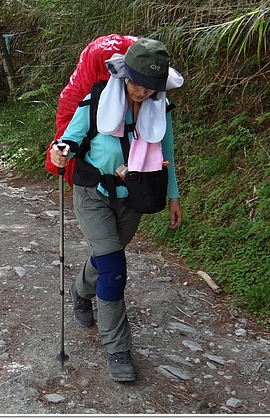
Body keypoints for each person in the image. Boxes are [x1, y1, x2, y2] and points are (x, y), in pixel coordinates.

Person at [49, 37, 184, 382]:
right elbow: (69, 138)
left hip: (132, 197)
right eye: (136, 81)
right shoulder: (98, 101)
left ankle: (80, 291)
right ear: (125, 74)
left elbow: (166, 155)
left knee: (107, 256)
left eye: (150, 86)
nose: (141, 91)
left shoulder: (159, 110)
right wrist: (59, 150)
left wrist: (174, 196)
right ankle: (118, 349)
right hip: (92, 193)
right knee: (114, 268)